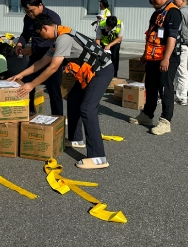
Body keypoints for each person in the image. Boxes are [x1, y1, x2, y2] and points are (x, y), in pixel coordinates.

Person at [11, 14, 113, 169]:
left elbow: (53, 67)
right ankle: (76, 139)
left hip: (101, 71)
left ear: (45, 28)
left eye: (40, 34)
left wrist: (31, 84)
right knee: (73, 100)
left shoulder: (63, 39)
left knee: (87, 109)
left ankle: (98, 157)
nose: (42, 37)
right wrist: (21, 75)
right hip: (88, 73)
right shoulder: (58, 39)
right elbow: (42, 62)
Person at [129, 0, 181, 135]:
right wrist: (145, 55)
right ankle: (147, 115)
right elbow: (151, 36)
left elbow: (172, 37)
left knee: (165, 88)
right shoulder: (156, 14)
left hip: (167, 58)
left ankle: (165, 121)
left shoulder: (173, 12)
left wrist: (166, 58)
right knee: (150, 87)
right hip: (153, 58)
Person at [15, 0, 64, 116]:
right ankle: (30, 113)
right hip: (36, 59)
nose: (30, 14)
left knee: (54, 91)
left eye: (32, 11)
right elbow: (25, 34)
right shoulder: (28, 19)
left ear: (40, 5)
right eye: (27, 12)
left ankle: (57, 120)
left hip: (52, 58)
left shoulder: (53, 18)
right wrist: (20, 44)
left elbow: (54, 40)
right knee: (26, 84)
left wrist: (33, 49)